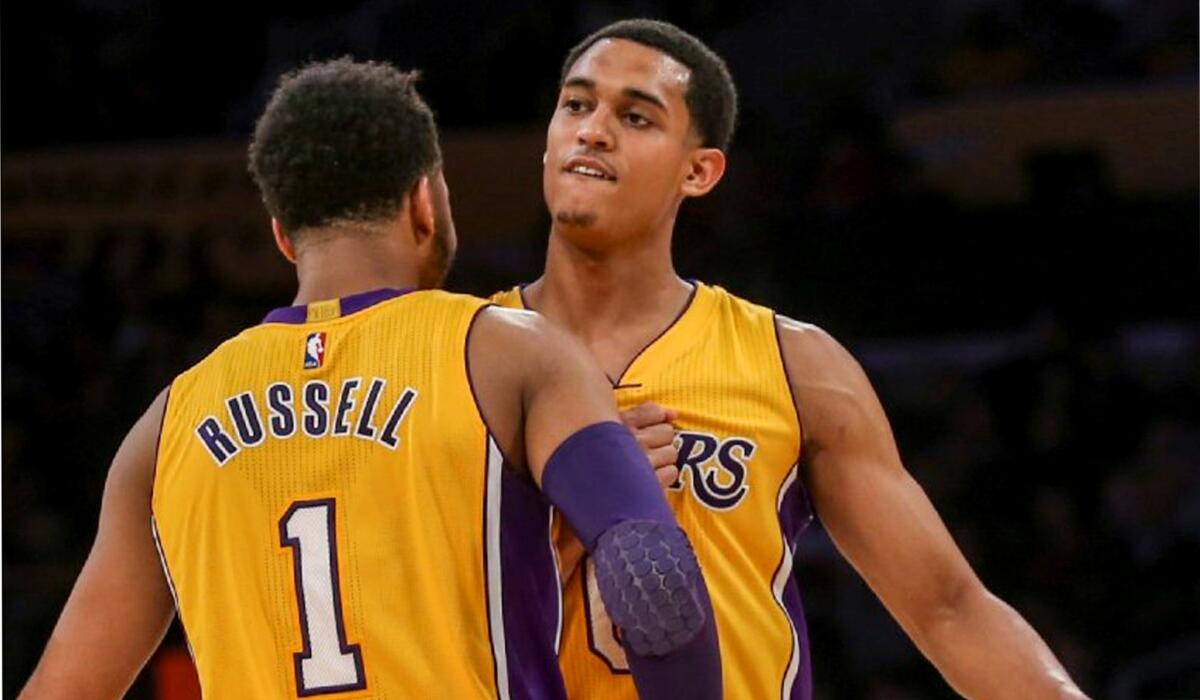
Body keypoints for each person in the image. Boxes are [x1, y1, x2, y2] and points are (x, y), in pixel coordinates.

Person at [21, 58, 722, 700]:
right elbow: (654, 578)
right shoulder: (512, 352)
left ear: (283, 237)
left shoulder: (166, 423)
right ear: (424, 200)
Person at [491, 18, 1089, 699]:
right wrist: (582, 490)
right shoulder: (459, 354)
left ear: (699, 170)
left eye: (634, 115)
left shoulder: (794, 365)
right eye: (576, 104)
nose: (592, 129)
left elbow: (948, 607)